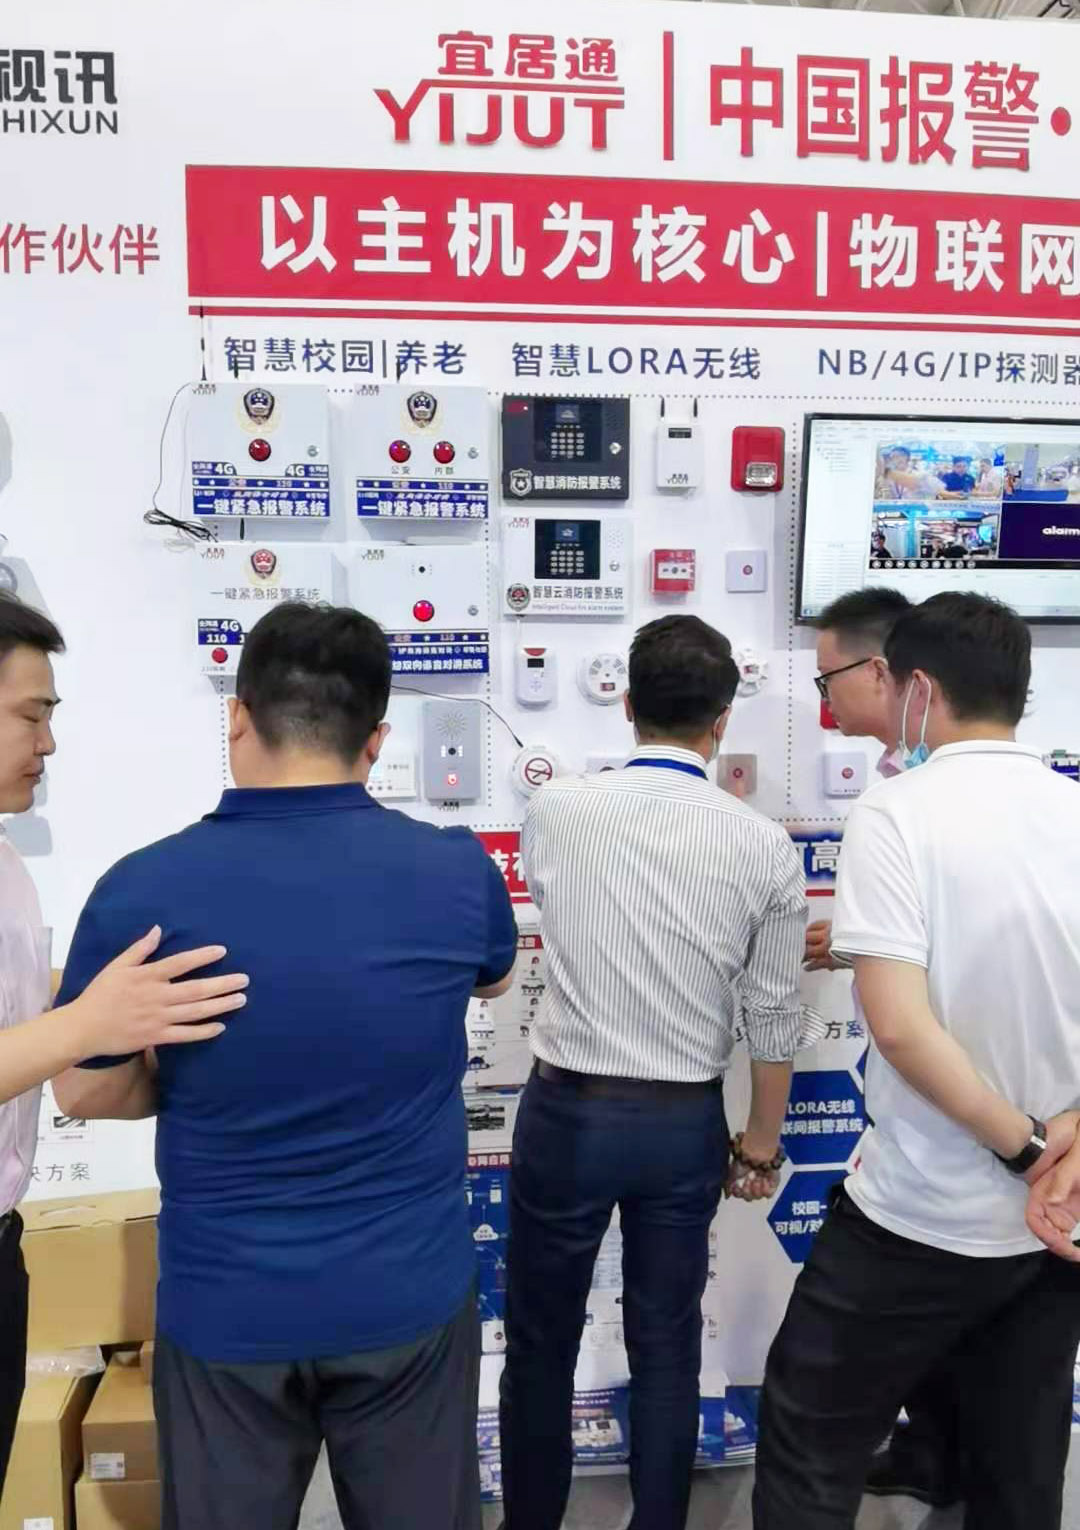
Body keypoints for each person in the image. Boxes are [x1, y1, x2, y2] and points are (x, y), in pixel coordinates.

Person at [52, 602, 518, 1530]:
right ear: (376, 739)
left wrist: (185, 1072)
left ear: (237, 717)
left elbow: (85, 1086)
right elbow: (495, 980)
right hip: (405, 1295)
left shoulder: (140, 889)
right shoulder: (457, 872)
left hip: (227, 1307)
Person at [754, 592, 1080, 1530]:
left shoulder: (897, 812)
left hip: (927, 1208)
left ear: (920, 688)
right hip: (1058, 1218)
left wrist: (1026, 1148)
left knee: (809, 1441)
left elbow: (899, 1029)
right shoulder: (1072, 806)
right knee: (1021, 1469)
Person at [499, 614, 808, 1530]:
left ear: (627, 706)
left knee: (540, 1343)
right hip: (682, 1123)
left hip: (569, 1112)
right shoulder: (763, 845)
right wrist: (759, 1147)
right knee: (668, 1344)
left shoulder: (558, 810)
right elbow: (774, 1020)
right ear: (723, 721)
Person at [0, 593, 247, 1498]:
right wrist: (88, 1024)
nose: (49, 744)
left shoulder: (8, 864)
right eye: (31, 716)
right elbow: (66, 1052)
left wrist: (125, 1012)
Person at [806, 586, 971, 1509]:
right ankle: (931, 1449)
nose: (821, 698)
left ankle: (950, 1457)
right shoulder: (898, 775)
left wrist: (1021, 1139)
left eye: (827, 676)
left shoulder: (923, 794)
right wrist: (854, 940)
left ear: (884, 672)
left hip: (970, 1109)